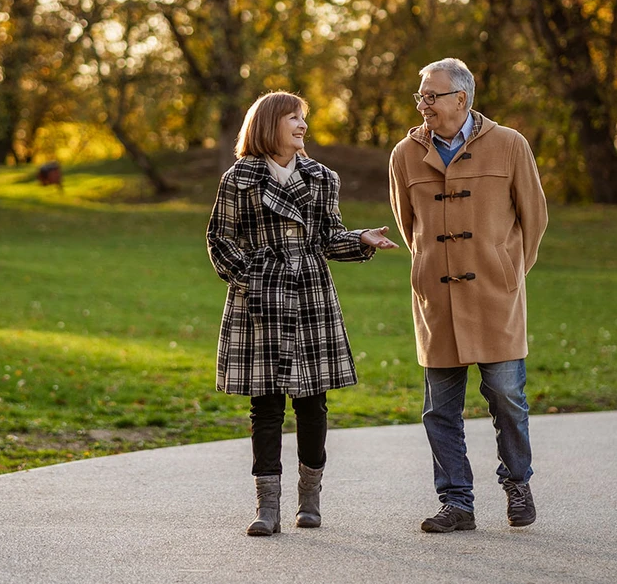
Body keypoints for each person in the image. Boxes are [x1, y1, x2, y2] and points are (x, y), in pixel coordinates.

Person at [206, 91, 398, 536]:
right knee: (266, 406)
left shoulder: (320, 177)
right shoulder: (238, 179)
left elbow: (329, 238)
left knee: (313, 402)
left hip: (310, 295)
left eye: (303, 117)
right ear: (268, 124)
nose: (302, 125)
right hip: (261, 300)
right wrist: (254, 275)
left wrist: (361, 239)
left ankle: (309, 499)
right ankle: (266, 508)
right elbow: (220, 239)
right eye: (293, 117)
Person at [388, 58, 548, 533]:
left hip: (496, 296)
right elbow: (408, 224)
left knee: (506, 396)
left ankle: (517, 483)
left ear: (461, 98)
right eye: (421, 96)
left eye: (430, 96)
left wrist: (508, 271)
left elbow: (534, 218)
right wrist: (426, 268)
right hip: (436, 299)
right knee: (440, 408)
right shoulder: (404, 154)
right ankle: (456, 502)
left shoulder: (509, 145)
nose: (423, 104)